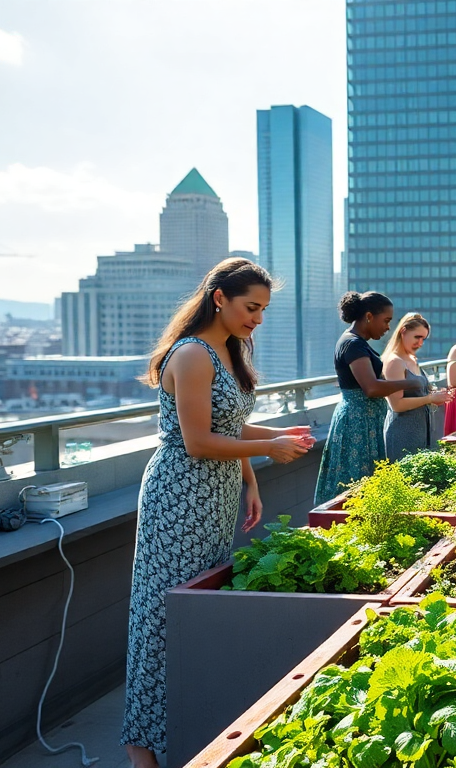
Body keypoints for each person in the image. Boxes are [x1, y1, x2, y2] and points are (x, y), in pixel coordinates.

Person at [122, 258, 315, 767]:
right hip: (179, 495)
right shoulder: (191, 355)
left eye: (264, 310)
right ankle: (142, 749)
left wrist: (261, 461)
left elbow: (229, 426)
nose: (258, 318)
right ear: (219, 298)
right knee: (163, 615)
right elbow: (198, 440)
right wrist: (269, 451)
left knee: (191, 608)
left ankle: (177, 736)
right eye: (252, 307)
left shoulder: (229, 350)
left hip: (215, 493)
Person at [313, 291, 414, 505]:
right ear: (369, 316)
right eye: (386, 321)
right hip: (358, 422)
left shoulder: (357, 342)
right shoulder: (353, 344)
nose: (388, 328)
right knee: (355, 484)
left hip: (365, 421)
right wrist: (411, 382)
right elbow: (371, 388)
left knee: (364, 484)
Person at [383, 312, 453, 460]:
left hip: (421, 430)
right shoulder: (395, 362)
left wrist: (436, 394)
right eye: (417, 337)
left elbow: (419, 390)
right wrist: (429, 398)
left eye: (423, 339)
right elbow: (396, 405)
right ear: (403, 331)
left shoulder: (412, 358)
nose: (420, 343)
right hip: (402, 431)